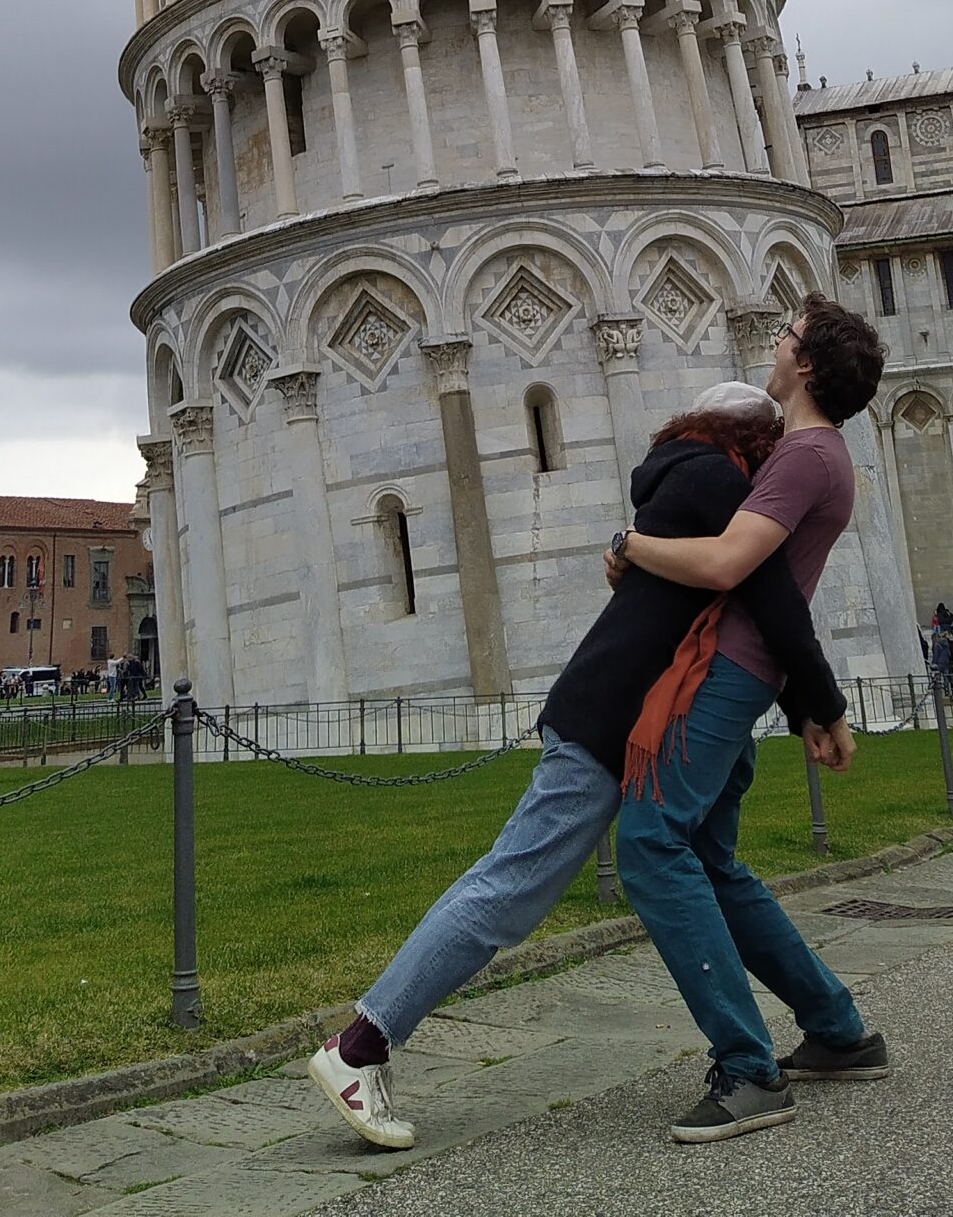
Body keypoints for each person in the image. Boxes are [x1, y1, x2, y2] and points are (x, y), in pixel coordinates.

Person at [308, 381, 849, 1151]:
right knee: (509, 885)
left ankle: (831, 1026)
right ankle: (360, 1047)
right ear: (753, 442)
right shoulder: (717, 482)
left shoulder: (679, 479)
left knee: (668, 867)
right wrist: (821, 706)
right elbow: (772, 599)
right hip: (608, 720)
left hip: (613, 711)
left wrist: (804, 708)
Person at [609, 297, 889, 1145]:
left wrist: (631, 545)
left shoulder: (804, 456)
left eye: (787, 335)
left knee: (650, 843)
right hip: (749, 671)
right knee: (709, 859)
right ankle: (837, 1031)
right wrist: (813, 703)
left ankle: (747, 1069)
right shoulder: (815, 454)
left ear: (807, 365)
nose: (775, 342)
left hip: (726, 670)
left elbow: (731, 562)